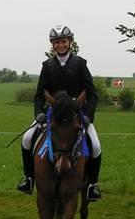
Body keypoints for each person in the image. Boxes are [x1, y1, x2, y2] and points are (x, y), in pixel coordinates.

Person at [16, 26, 102, 201]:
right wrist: (39, 113)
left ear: (70, 42)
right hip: (53, 115)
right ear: (52, 46)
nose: (60, 45)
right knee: (26, 138)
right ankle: (29, 178)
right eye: (56, 43)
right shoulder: (47, 66)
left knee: (96, 146)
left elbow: (92, 94)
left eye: (63, 41)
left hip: (76, 115)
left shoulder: (80, 64)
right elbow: (39, 95)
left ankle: (92, 185)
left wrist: (88, 116)